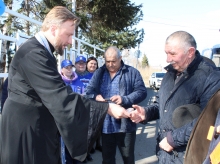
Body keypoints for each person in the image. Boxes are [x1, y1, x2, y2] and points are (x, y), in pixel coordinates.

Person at [0, 6, 130, 164]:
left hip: (36, 126)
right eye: (68, 35)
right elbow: (60, 97)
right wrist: (106, 108)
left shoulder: (41, 51)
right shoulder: (33, 53)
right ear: (54, 28)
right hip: (26, 130)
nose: (70, 41)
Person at [130, 31, 220, 164]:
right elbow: (162, 105)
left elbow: (208, 121)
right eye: (166, 53)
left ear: (190, 52)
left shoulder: (211, 77)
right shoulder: (170, 73)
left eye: (172, 54)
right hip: (164, 152)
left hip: (189, 155)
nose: (167, 59)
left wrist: (173, 140)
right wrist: (146, 113)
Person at [85, 46, 147, 164]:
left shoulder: (132, 72)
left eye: (113, 61)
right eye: (107, 61)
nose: (110, 64)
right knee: (107, 160)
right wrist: (97, 97)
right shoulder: (99, 73)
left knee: (128, 159)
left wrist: (125, 99)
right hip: (105, 125)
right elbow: (89, 91)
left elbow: (142, 92)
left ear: (120, 58)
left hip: (126, 126)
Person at [86, 56, 102, 154]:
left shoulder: (99, 75)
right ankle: (90, 145)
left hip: (98, 102)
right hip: (88, 103)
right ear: (87, 64)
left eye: (95, 64)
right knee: (89, 126)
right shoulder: (83, 75)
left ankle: (98, 144)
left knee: (99, 124)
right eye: (91, 63)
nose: (93, 65)